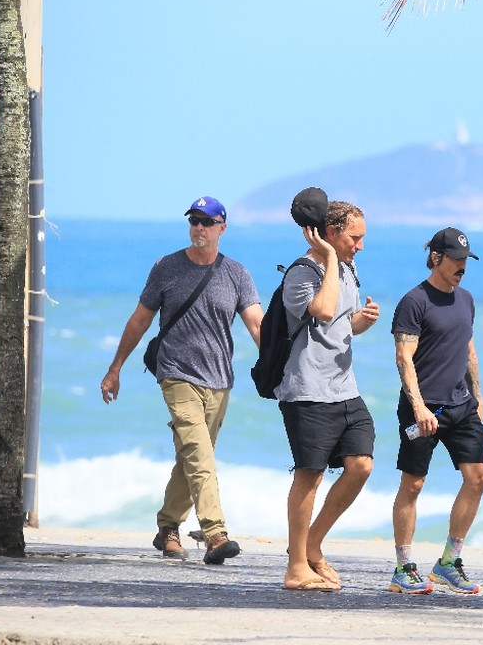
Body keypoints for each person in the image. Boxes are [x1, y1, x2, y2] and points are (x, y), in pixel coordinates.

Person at [100, 196, 263, 565]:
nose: (199, 228)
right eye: (194, 221)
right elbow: (140, 319)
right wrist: (115, 368)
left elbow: (256, 324)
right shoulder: (167, 268)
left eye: (207, 222)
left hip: (219, 380)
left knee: (192, 455)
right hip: (175, 375)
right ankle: (215, 533)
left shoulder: (237, 273)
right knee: (199, 453)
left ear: (223, 227)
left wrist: (280, 368)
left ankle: (168, 527)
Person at [276, 189, 380, 592]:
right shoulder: (302, 272)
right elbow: (318, 310)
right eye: (354, 238)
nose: (360, 246)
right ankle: (296, 565)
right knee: (310, 476)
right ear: (330, 234)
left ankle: (313, 544)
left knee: (361, 464)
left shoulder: (348, 269)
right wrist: (332, 259)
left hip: (344, 387)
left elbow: (337, 322)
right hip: (307, 389)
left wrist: (360, 322)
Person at [388, 227, 483, 595]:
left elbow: (468, 348)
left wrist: (477, 397)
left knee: (478, 477)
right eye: (456, 260)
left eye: (466, 260)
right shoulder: (414, 301)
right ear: (436, 258)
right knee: (413, 484)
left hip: (461, 405)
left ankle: (448, 562)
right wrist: (417, 406)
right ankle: (403, 568)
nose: (462, 266)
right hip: (423, 408)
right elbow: (404, 358)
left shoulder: (466, 299)